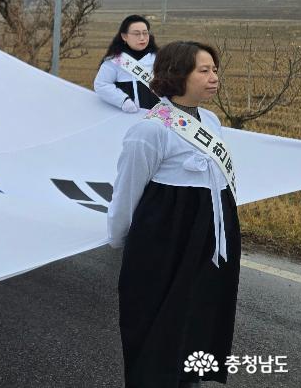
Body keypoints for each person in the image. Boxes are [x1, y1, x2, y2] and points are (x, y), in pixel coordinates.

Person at [108, 41, 238, 388]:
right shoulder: (150, 130)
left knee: (197, 314)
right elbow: (127, 189)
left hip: (206, 233)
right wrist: (119, 236)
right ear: (178, 74)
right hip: (166, 238)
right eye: (204, 70)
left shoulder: (210, 120)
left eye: (215, 70)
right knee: (158, 317)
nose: (214, 78)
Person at [94, 14, 160, 113]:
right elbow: (101, 84)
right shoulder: (115, 61)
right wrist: (123, 101)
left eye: (145, 33)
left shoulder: (159, 58)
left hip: (157, 117)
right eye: (136, 34)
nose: (142, 38)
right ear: (124, 36)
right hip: (126, 116)